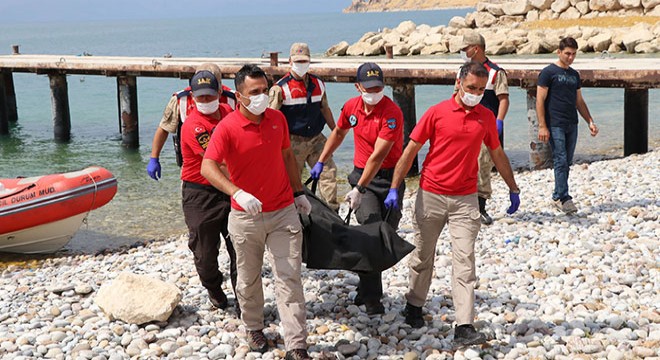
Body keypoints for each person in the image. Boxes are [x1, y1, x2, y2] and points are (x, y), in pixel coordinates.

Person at [385, 61, 520, 346]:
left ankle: (464, 326)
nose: (476, 94)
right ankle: (414, 304)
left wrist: (513, 187)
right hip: (430, 195)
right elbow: (411, 150)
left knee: (464, 260)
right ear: (458, 83)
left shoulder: (485, 117)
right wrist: (395, 188)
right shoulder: (436, 113)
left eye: (482, 90)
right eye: (471, 87)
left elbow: (497, 154)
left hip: (465, 200)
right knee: (423, 255)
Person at [200, 64, 313, 360]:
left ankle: (297, 345)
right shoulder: (227, 127)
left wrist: (299, 192)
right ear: (239, 96)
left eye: (265, 90)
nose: (262, 96)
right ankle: (253, 326)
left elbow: (287, 154)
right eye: (255, 92)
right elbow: (207, 167)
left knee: (289, 277)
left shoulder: (277, 119)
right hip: (244, 216)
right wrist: (236, 191)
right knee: (248, 279)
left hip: (283, 212)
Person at [312, 62, 404, 315]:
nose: (374, 92)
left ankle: (365, 289)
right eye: (369, 87)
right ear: (358, 86)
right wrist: (321, 160)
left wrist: (361, 188)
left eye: (379, 87)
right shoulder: (352, 107)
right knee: (370, 235)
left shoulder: (392, 112)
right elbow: (339, 132)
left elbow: (379, 154)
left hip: (390, 180)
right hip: (362, 179)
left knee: (385, 236)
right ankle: (374, 299)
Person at [179, 70, 238, 311]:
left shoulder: (228, 113)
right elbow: (217, 163)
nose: (205, 101)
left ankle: (245, 300)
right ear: (192, 97)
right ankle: (213, 287)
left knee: (241, 247)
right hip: (201, 194)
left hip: (232, 188)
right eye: (200, 97)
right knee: (204, 252)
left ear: (220, 93)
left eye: (210, 96)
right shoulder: (194, 126)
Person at [269, 43, 339, 211]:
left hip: (317, 138)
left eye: (304, 61)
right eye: (298, 61)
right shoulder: (280, 88)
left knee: (329, 173)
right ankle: (291, 213)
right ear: (290, 61)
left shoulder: (319, 84)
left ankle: (333, 211)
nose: (301, 64)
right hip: (293, 141)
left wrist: (336, 131)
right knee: (292, 180)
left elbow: (325, 108)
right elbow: (270, 118)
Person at [536, 37, 599, 214]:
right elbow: (540, 100)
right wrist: (542, 125)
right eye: (567, 54)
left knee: (566, 161)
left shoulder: (574, 75)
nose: (570, 57)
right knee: (560, 159)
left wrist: (590, 122)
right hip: (555, 123)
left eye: (573, 54)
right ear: (559, 52)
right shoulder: (548, 72)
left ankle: (557, 195)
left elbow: (579, 101)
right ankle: (564, 198)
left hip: (572, 123)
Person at [146, 63, 236, 181]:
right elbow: (165, 127)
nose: (206, 98)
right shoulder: (181, 100)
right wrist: (154, 158)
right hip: (195, 171)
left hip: (227, 166)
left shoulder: (232, 100)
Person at [458, 32, 510, 225]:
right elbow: (456, 95)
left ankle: (480, 208)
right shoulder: (462, 72)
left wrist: (499, 121)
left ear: (476, 48)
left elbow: (503, 99)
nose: (463, 52)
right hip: (464, 127)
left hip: (485, 129)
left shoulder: (496, 72)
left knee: (482, 167)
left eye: (465, 49)